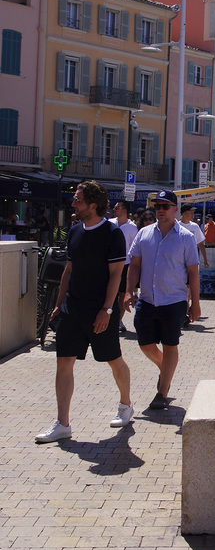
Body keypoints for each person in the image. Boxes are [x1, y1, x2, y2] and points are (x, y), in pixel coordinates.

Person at [35, 181, 133, 442]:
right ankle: (62, 423)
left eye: (78, 200)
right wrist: (59, 303)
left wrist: (107, 310)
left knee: (114, 360)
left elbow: (116, 275)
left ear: (93, 205)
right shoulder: (75, 231)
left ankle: (125, 404)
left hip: (100, 311)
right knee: (63, 362)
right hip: (72, 309)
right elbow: (69, 269)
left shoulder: (113, 233)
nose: (74, 203)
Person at [124, 190, 200, 410]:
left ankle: (162, 392)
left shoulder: (186, 237)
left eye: (165, 206)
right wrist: (129, 291)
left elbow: (193, 273)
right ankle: (166, 368)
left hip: (174, 300)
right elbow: (135, 265)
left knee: (170, 345)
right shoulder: (144, 234)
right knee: (145, 345)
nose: (160, 210)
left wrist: (195, 303)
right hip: (147, 299)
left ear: (175, 209)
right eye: (157, 206)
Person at [111, 199, 139, 333]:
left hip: (125, 264)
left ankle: (118, 320)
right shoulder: (109, 224)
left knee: (122, 294)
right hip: (110, 264)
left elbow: (135, 249)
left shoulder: (132, 228)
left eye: (116, 207)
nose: (114, 209)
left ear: (124, 211)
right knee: (110, 292)